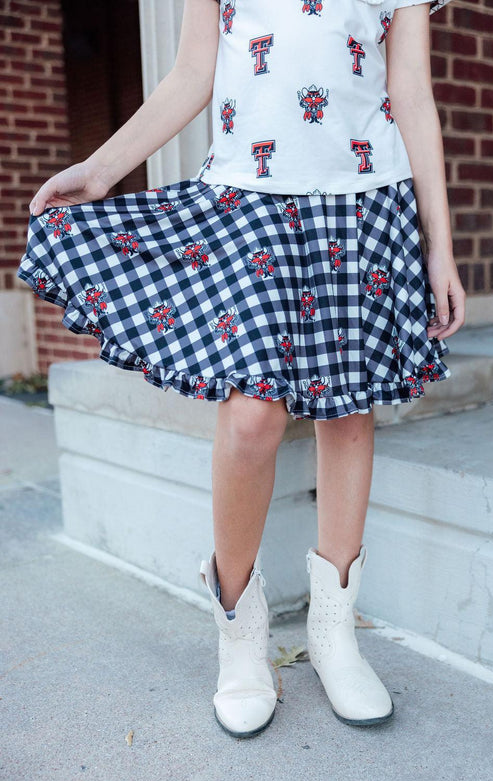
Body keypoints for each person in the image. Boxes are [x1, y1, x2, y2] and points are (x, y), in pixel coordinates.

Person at [18, 0, 465, 739]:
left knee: (347, 413)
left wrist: (438, 247)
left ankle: (333, 632)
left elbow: (412, 94)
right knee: (253, 415)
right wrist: (102, 169)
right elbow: (192, 71)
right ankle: (238, 632)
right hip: (249, 202)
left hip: (365, 205)